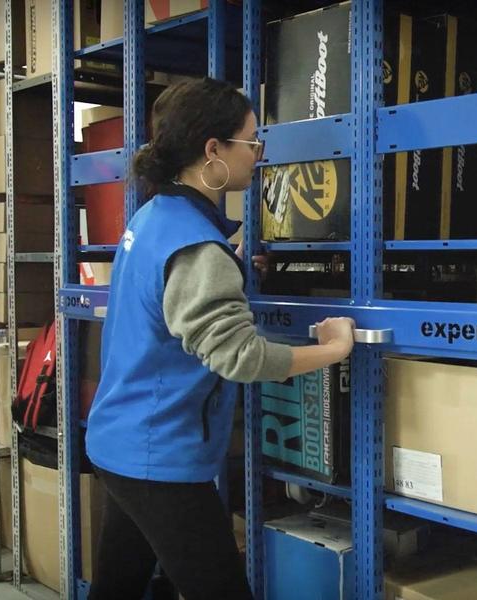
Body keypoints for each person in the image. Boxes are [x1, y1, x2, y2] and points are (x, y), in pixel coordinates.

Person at [85, 77, 355, 600]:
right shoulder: (198, 249)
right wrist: (335, 349)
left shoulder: (155, 217)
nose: (259, 155)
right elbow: (240, 356)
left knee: (118, 588)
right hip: (157, 455)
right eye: (252, 143)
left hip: (119, 438)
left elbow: (173, 302)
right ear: (213, 150)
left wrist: (229, 269)